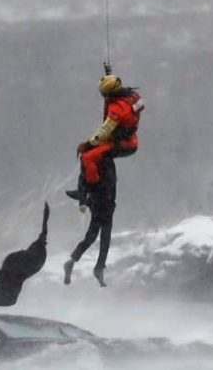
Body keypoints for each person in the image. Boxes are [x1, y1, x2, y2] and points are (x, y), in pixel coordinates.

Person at [63, 69, 143, 287]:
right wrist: (110, 73)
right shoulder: (129, 97)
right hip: (106, 192)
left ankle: (87, 263)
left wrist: (88, 143)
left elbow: (104, 132)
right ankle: (96, 266)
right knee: (101, 231)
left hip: (123, 145)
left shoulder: (117, 109)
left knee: (88, 157)